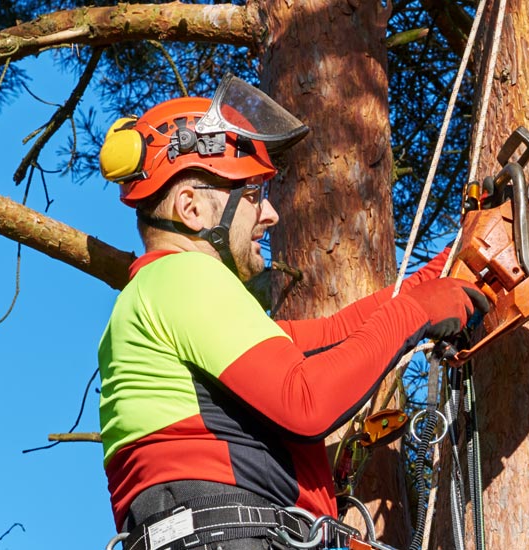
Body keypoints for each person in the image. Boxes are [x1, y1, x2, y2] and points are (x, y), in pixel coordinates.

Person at [94, 76, 488, 549]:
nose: (271, 215)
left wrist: (445, 271)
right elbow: (306, 401)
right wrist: (412, 313)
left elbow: (333, 335)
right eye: (254, 195)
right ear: (191, 208)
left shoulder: (166, 297)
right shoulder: (179, 278)